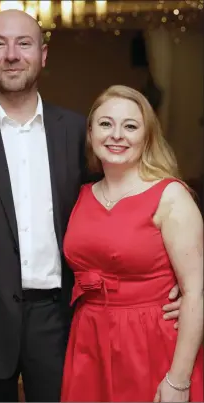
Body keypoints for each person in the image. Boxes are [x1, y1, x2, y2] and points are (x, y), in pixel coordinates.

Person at [0, 10, 181, 403]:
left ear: (43, 54)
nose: (12, 54)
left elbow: (117, 212)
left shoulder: (77, 131)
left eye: (24, 43)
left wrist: (176, 287)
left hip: (62, 321)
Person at [61, 85, 203, 402]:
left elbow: (196, 291)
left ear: (147, 136)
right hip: (89, 340)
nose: (117, 135)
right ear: (90, 133)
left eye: (130, 126)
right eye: (106, 124)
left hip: (151, 341)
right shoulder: (82, 194)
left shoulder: (171, 196)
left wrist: (178, 380)